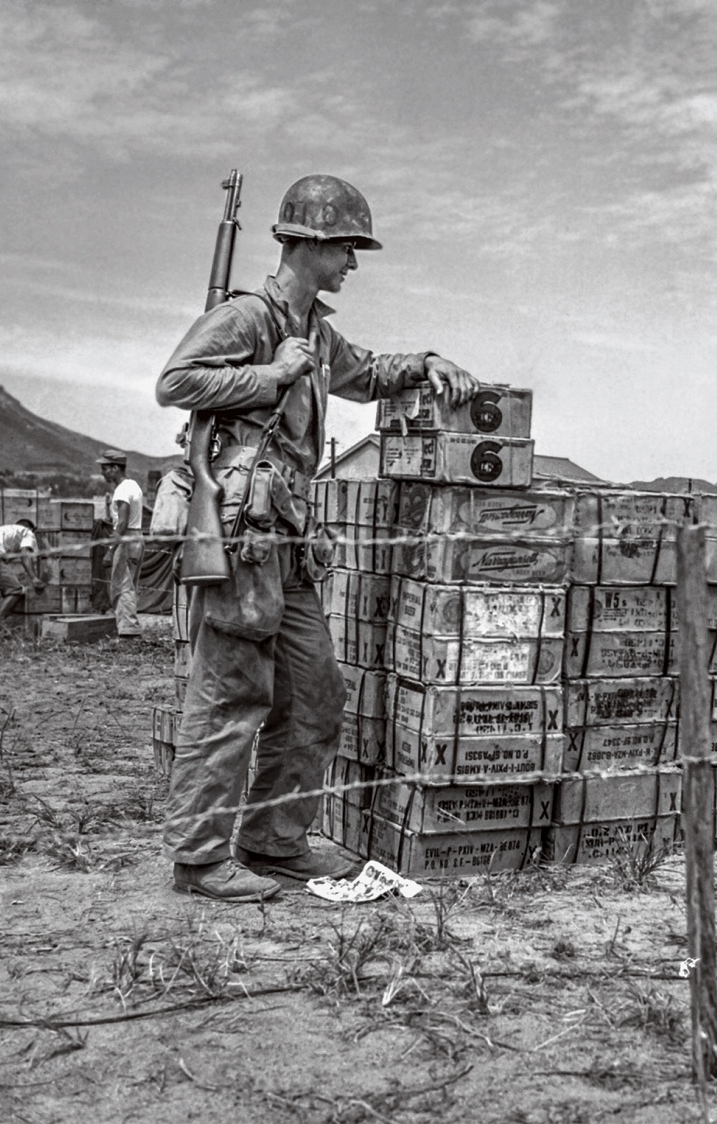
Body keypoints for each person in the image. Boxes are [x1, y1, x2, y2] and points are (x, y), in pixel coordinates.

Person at [156, 173, 478, 902]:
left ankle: (274, 842)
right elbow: (177, 382)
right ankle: (200, 860)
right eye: (345, 249)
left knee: (316, 694)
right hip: (243, 537)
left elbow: (367, 374)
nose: (352, 265)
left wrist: (426, 364)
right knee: (232, 693)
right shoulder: (249, 317)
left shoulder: (318, 333)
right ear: (309, 243)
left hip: (290, 540)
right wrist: (269, 376)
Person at [98, 449, 144, 639]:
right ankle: (128, 629)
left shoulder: (122, 490)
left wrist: (111, 550)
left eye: (105, 468)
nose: (103, 473)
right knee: (129, 585)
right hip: (137, 537)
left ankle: (128, 633)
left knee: (121, 586)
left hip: (125, 539)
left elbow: (122, 522)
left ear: (115, 468)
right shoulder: (134, 486)